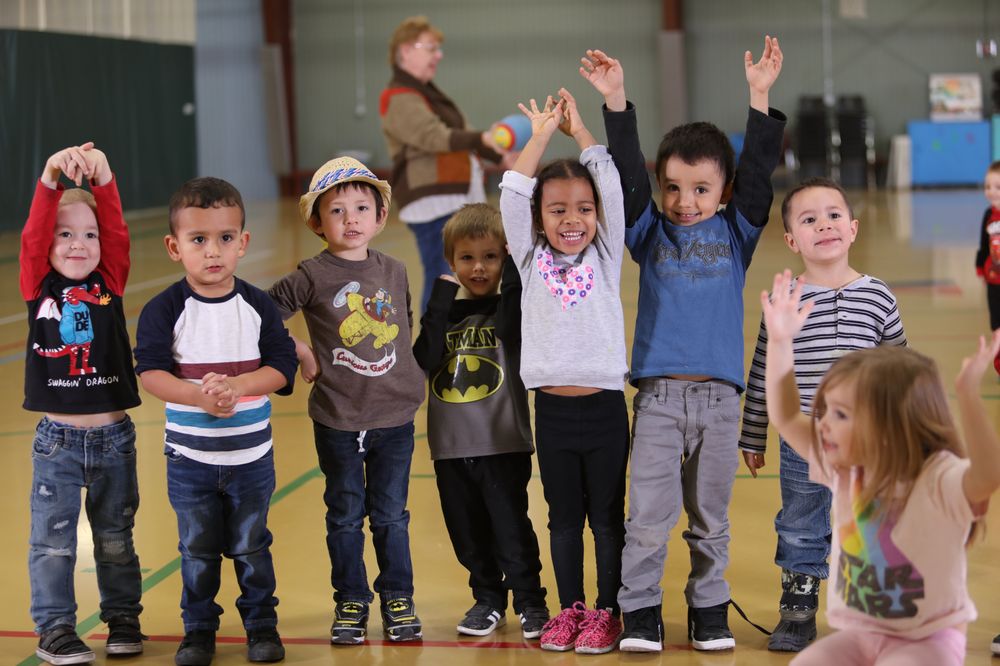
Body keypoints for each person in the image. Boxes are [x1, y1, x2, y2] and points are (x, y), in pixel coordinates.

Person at [581, 37, 785, 652]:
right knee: (646, 517)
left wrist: (759, 96)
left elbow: (757, 176)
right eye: (673, 187)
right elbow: (626, 178)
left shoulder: (738, 230)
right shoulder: (647, 233)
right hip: (660, 403)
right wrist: (616, 101)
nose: (684, 202)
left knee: (711, 521)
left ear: (721, 192)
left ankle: (709, 609)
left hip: (722, 404)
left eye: (700, 189)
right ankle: (640, 611)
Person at [762, 269, 1000, 666]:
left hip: (928, 640)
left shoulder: (937, 477)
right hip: (861, 635)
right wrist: (782, 341)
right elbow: (786, 416)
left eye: (839, 414)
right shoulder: (846, 469)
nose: (821, 423)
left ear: (888, 423)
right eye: (824, 411)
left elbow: (990, 475)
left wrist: (969, 396)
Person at [134, 177, 297, 665]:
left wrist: (239, 388)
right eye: (198, 240)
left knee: (252, 548)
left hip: (251, 459)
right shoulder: (164, 310)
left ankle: (261, 627)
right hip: (190, 460)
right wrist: (196, 397)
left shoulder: (257, 305)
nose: (213, 252)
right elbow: (150, 372)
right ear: (174, 246)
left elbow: (282, 365)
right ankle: (199, 630)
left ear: (243, 243)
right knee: (197, 551)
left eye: (226, 239)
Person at [739, 178, 907, 652]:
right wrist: (754, 434)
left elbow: (900, 369)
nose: (824, 225)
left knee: (871, 525)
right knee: (801, 521)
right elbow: (764, 372)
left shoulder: (877, 295)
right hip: (803, 440)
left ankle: (874, 608)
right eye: (809, 220)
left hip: (869, 443)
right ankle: (798, 607)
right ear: (791, 239)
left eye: (834, 215)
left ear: (853, 228)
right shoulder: (784, 300)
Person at [268, 157, 426, 645]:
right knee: (343, 514)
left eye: (362, 208)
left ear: (380, 217)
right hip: (337, 418)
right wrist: (297, 350)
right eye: (337, 211)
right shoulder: (312, 275)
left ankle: (398, 596)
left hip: (394, 417)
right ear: (318, 222)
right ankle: (351, 600)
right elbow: (262, 312)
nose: (351, 219)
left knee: (391, 515)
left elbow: (405, 328)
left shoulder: (394, 270)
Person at [499, 89, 629, 655]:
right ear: (539, 219)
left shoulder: (606, 253)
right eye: (558, 210)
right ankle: (569, 608)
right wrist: (542, 135)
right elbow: (513, 190)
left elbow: (614, 185)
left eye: (583, 208)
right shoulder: (530, 258)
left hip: (603, 408)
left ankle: (608, 609)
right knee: (562, 518)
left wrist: (582, 134)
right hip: (551, 411)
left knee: (606, 518)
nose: (572, 219)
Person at [21, 143, 145, 665]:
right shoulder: (38, 285)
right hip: (59, 444)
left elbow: (116, 230)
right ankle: (55, 628)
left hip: (115, 440)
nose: (79, 245)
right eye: (65, 234)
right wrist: (51, 175)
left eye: (87, 235)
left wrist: (106, 178)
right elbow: (32, 233)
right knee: (53, 544)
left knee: (116, 538)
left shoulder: (108, 284)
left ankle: (122, 619)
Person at [411, 203, 550, 640]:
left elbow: (510, 332)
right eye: (467, 258)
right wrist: (439, 299)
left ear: (505, 260)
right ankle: (488, 598)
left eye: (491, 256)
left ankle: (530, 600)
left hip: (503, 442)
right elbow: (425, 359)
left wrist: (511, 279)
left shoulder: (513, 307)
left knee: (512, 529)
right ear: (450, 261)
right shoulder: (444, 310)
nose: (478, 267)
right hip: (450, 447)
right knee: (466, 533)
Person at [380, 14, 505, 313]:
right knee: (444, 281)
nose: (439, 54)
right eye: (431, 48)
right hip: (434, 203)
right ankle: (431, 356)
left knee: (459, 278)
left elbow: (462, 135)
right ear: (407, 50)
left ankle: (459, 346)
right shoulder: (398, 96)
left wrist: (500, 156)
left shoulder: (427, 93)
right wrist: (485, 139)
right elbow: (434, 136)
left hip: (451, 200)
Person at [974, 160, 1000, 375]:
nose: (991, 191)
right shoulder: (988, 215)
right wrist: (980, 265)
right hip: (994, 281)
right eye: (987, 186)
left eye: (997, 187)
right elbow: (983, 243)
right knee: (996, 324)